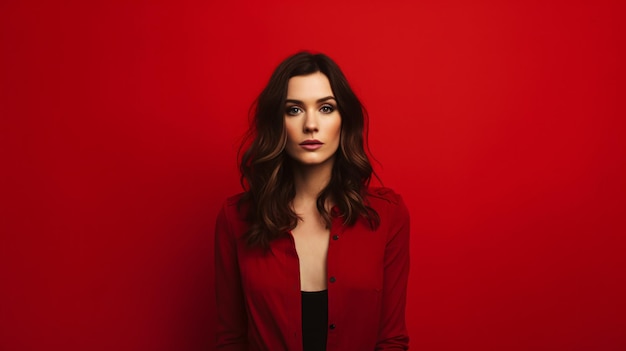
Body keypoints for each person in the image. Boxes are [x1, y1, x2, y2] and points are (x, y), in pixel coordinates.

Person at [214, 51, 410, 351]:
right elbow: (231, 340)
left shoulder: (386, 216)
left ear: (345, 119)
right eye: (294, 110)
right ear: (276, 122)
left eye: (326, 108)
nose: (311, 125)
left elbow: (391, 340)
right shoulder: (236, 218)